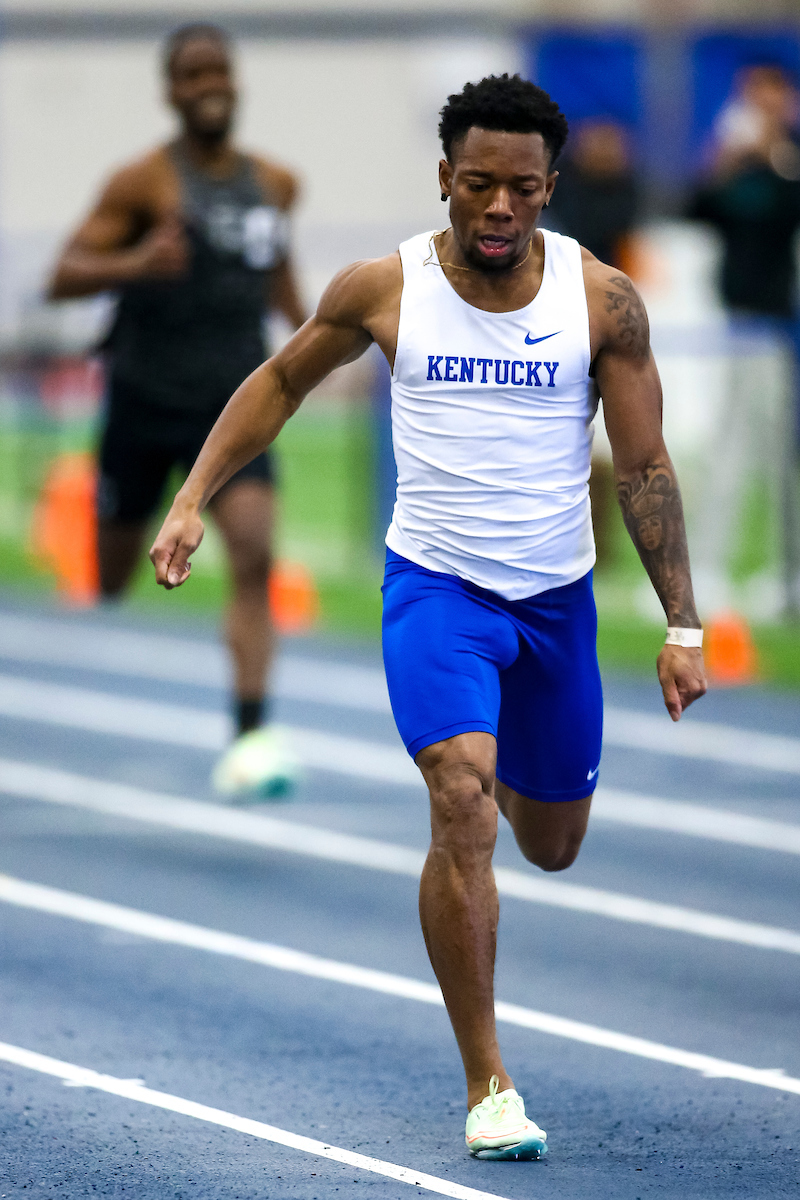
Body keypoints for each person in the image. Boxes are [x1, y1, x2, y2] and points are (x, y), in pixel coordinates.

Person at [150, 74, 707, 1159]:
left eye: (522, 190)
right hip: (436, 590)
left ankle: (496, 753)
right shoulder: (384, 287)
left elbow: (640, 464)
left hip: (553, 606)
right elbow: (276, 383)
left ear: (550, 190)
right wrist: (190, 498)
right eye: (479, 185)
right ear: (445, 178)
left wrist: (680, 623)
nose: (498, 209)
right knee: (460, 799)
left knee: (548, 843)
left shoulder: (601, 303)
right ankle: (488, 1083)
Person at [48, 23, 306, 796]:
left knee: (255, 552)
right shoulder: (141, 184)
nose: (208, 86)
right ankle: (115, 549)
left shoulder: (277, 184)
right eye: (192, 75)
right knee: (113, 575)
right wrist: (137, 263)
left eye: (218, 70)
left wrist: (328, 340)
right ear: (170, 91)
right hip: (143, 398)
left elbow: (282, 283)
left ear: (236, 79)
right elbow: (64, 273)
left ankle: (252, 732)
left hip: (233, 403)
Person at [687, 62, 800, 615]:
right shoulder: (736, 168)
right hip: (736, 326)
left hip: (779, 328)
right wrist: (727, 160)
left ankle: (788, 574)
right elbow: (697, 210)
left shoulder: (787, 164)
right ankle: (708, 570)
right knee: (730, 451)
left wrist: (775, 152)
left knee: (781, 453)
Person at [545, 118, 642, 567]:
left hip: (606, 316)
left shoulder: (625, 192)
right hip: (556, 313)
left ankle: (600, 547)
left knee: (609, 444)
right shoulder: (561, 190)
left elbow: (613, 223)